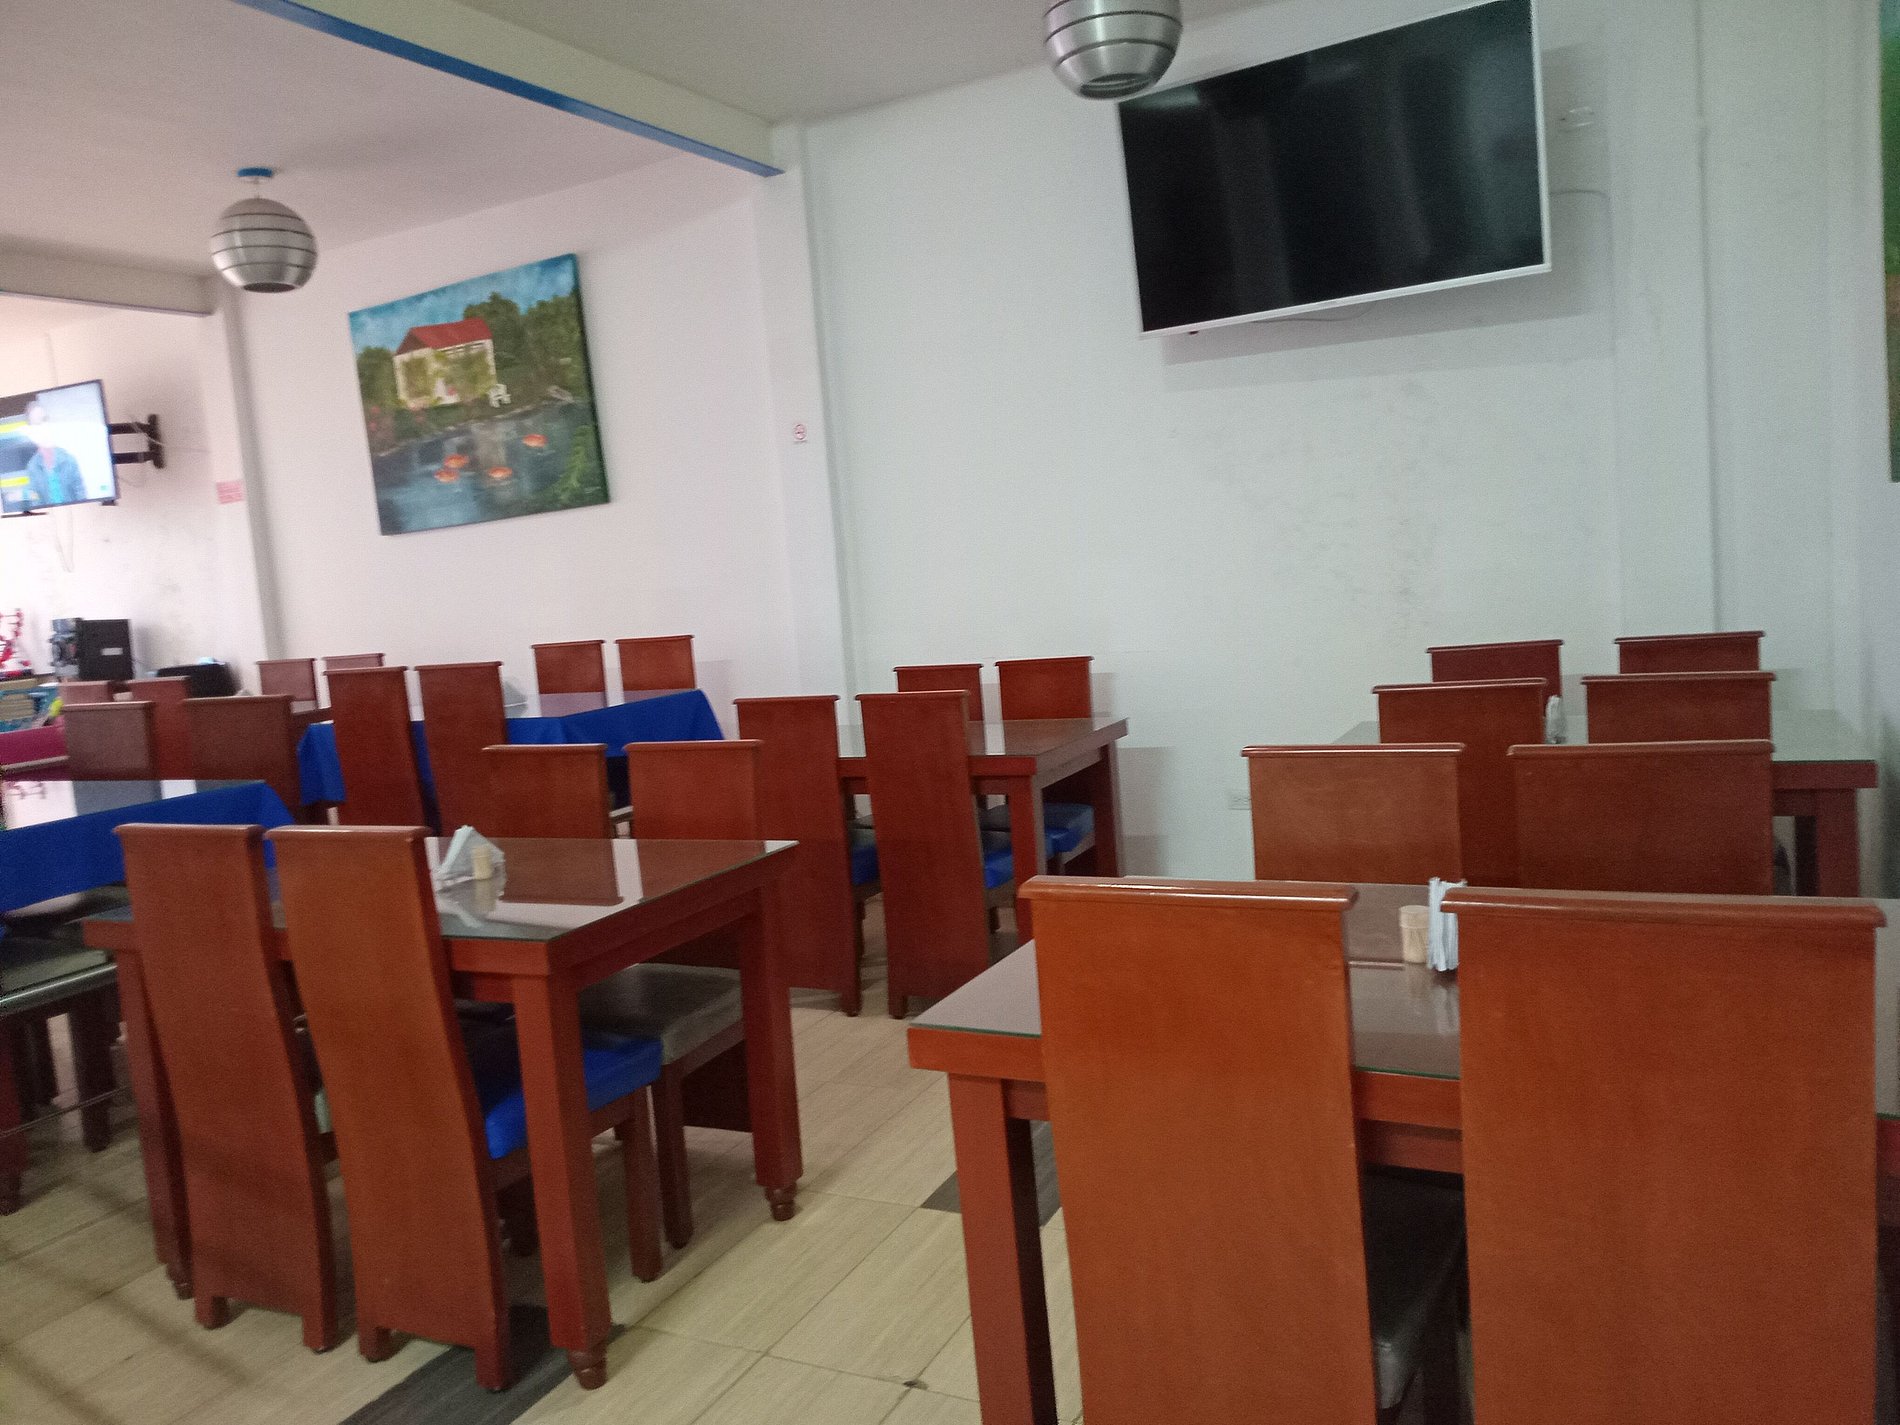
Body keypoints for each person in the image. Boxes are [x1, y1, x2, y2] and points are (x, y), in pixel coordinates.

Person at [20, 402, 85, 507]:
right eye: (36, 424)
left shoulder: (69, 459)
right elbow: (36, 502)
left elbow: (82, 495)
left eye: (44, 420)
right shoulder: (32, 467)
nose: (43, 427)